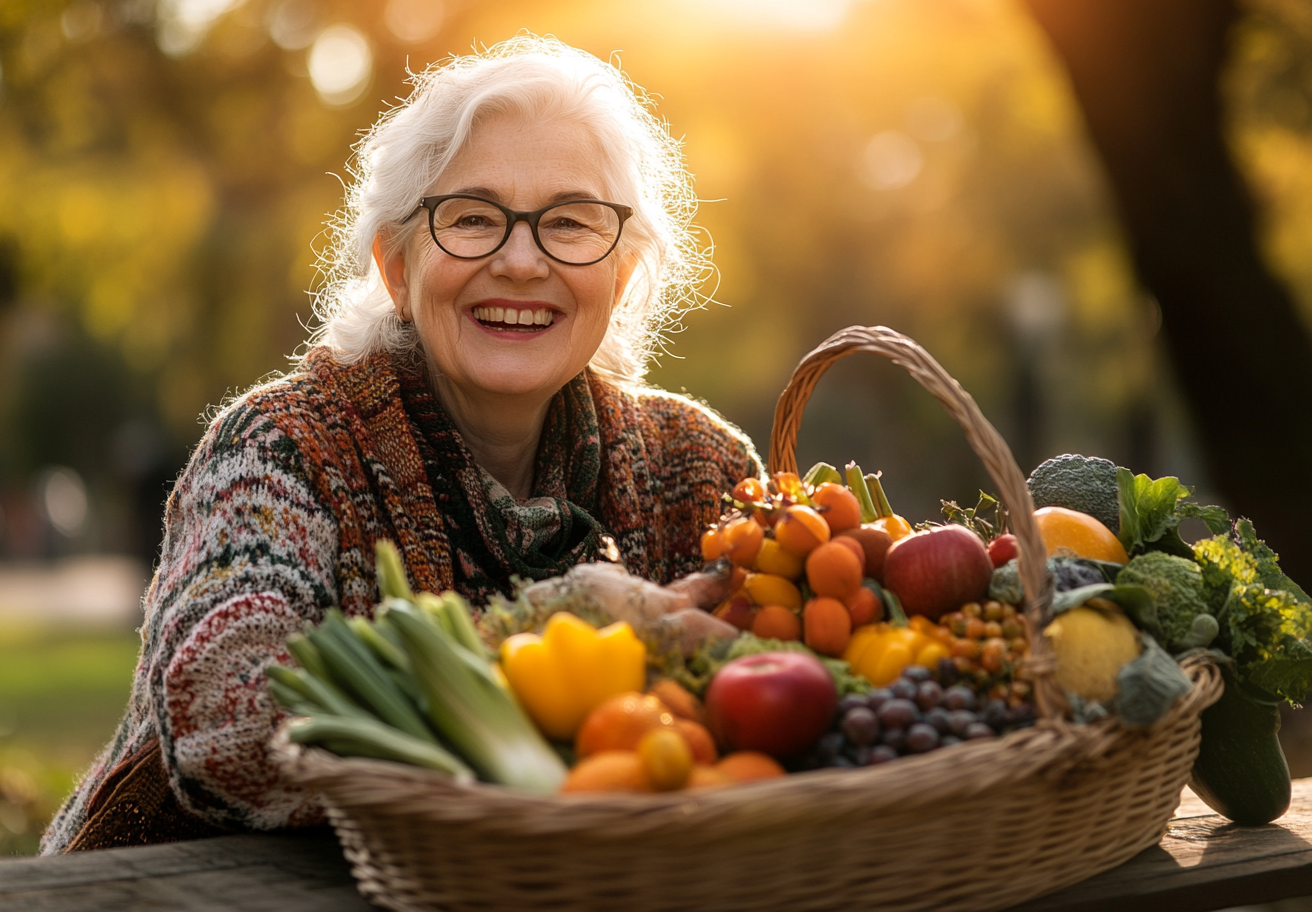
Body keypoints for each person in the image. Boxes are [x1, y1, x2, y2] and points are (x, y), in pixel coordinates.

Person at [42, 35, 758, 854]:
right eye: (472, 218)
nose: (521, 261)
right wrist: (551, 633)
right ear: (395, 266)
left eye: (569, 222)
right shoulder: (281, 449)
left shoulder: (701, 465)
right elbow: (221, 726)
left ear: (621, 276)